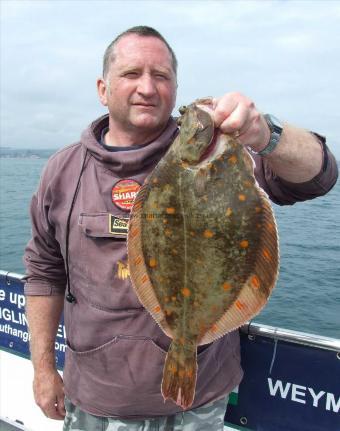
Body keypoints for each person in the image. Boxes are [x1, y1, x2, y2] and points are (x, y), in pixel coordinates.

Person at [24, 26, 338, 431]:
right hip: (94, 397)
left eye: (162, 76)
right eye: (132, 73)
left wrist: (265, 134)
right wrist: (44, 370)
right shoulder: (62, 170)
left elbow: (318, 177)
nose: (148, 88)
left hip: (199, 400)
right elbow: (44, 272)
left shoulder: (230, 152)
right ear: (103, 89)